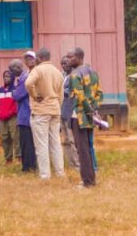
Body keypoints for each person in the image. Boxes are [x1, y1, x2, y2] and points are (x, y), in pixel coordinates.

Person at [25, 47, 65, 180]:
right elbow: (61, 95)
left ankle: (45, 175)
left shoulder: (38, 70)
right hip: (55, 110)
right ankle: (60, 173)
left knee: (41, 144)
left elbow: (28, 83)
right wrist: (57, 106)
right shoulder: (57, 72)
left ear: (39, 58)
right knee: (55, 143)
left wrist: (35, 96)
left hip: (41, 111)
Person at [68, 47, 103, 187]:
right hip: (90, 115)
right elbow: (99, 94)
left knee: (81, 150)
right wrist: (94, 111)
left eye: (71, 57)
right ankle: (91, 179)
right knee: (88, 147)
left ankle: (87, 181)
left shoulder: (75, 75)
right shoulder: (93, 72)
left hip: (80, 116)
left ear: (78, 57)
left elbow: (80, 96)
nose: (69, 60)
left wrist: (88, 112)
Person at [11, 55, 37, 172]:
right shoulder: (23, 77)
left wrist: (13, 92)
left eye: (12, 70)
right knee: (27, 142)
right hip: (25, 113)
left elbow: (17, 95)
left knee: (27, 143)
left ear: (18, 67)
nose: (11, 73)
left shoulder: (24, 78)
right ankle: (29, 165)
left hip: (25, 114)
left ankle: (28, 167)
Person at [0, 70, 20, 164]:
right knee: (4, 137)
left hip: (13, 117)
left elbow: (17, 104)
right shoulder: (0, 90)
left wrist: (11, 112)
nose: (6, 78)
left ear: (12, 78)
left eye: (8, 76)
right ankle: (8, 158)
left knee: (15, 136)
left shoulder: (15, 89)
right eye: (5, 76)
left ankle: (19, 157)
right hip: (2, 118)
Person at [60, 53, 80, 169]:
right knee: (65, 140)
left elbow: (72, 93)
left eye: (66, 62)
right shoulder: (62, 76)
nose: (64, 65)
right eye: (62, 63)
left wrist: (61, 92)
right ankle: (71, 163)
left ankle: (78, 164)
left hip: (70, 111)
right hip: (61, 110)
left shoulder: (74, 76)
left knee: (72, 140)